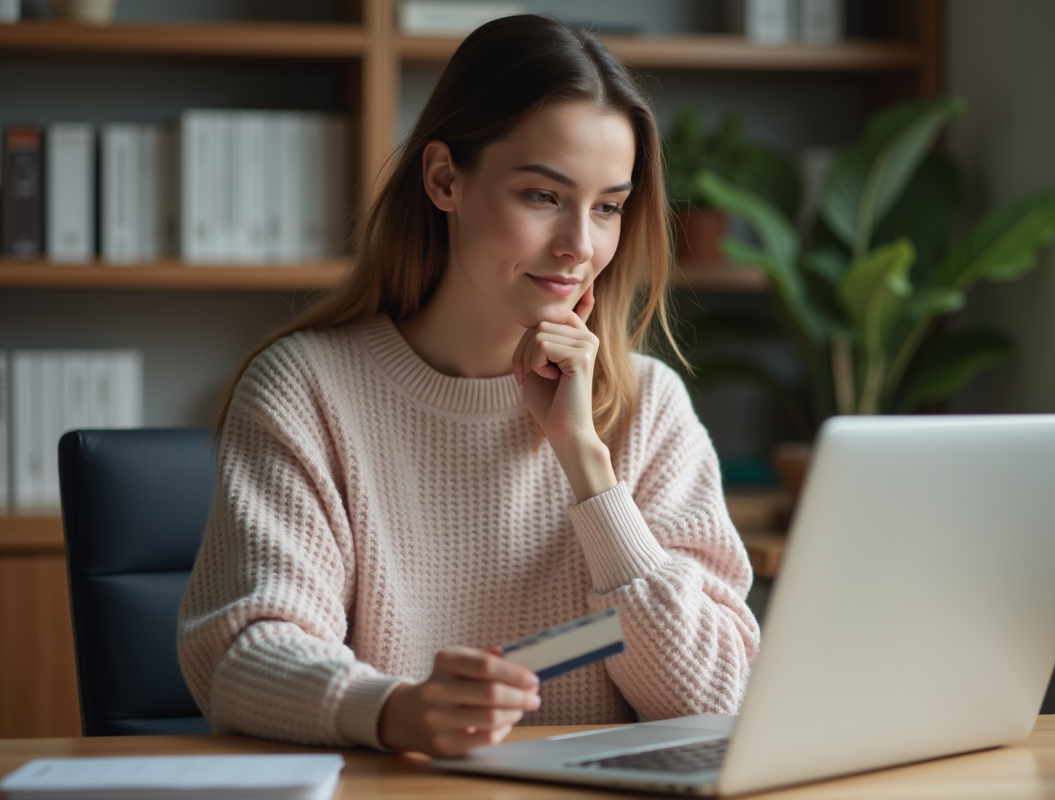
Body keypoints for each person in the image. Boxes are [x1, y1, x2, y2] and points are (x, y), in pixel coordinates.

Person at [177, 14, 760, 758]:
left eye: (609, 207)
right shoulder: (306, 390)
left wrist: (585, 460)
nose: (581, 245)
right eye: (543, 196)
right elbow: (241, 654)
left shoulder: (647, 406)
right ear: (445, 179)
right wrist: (393, 710)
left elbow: (715, 696)